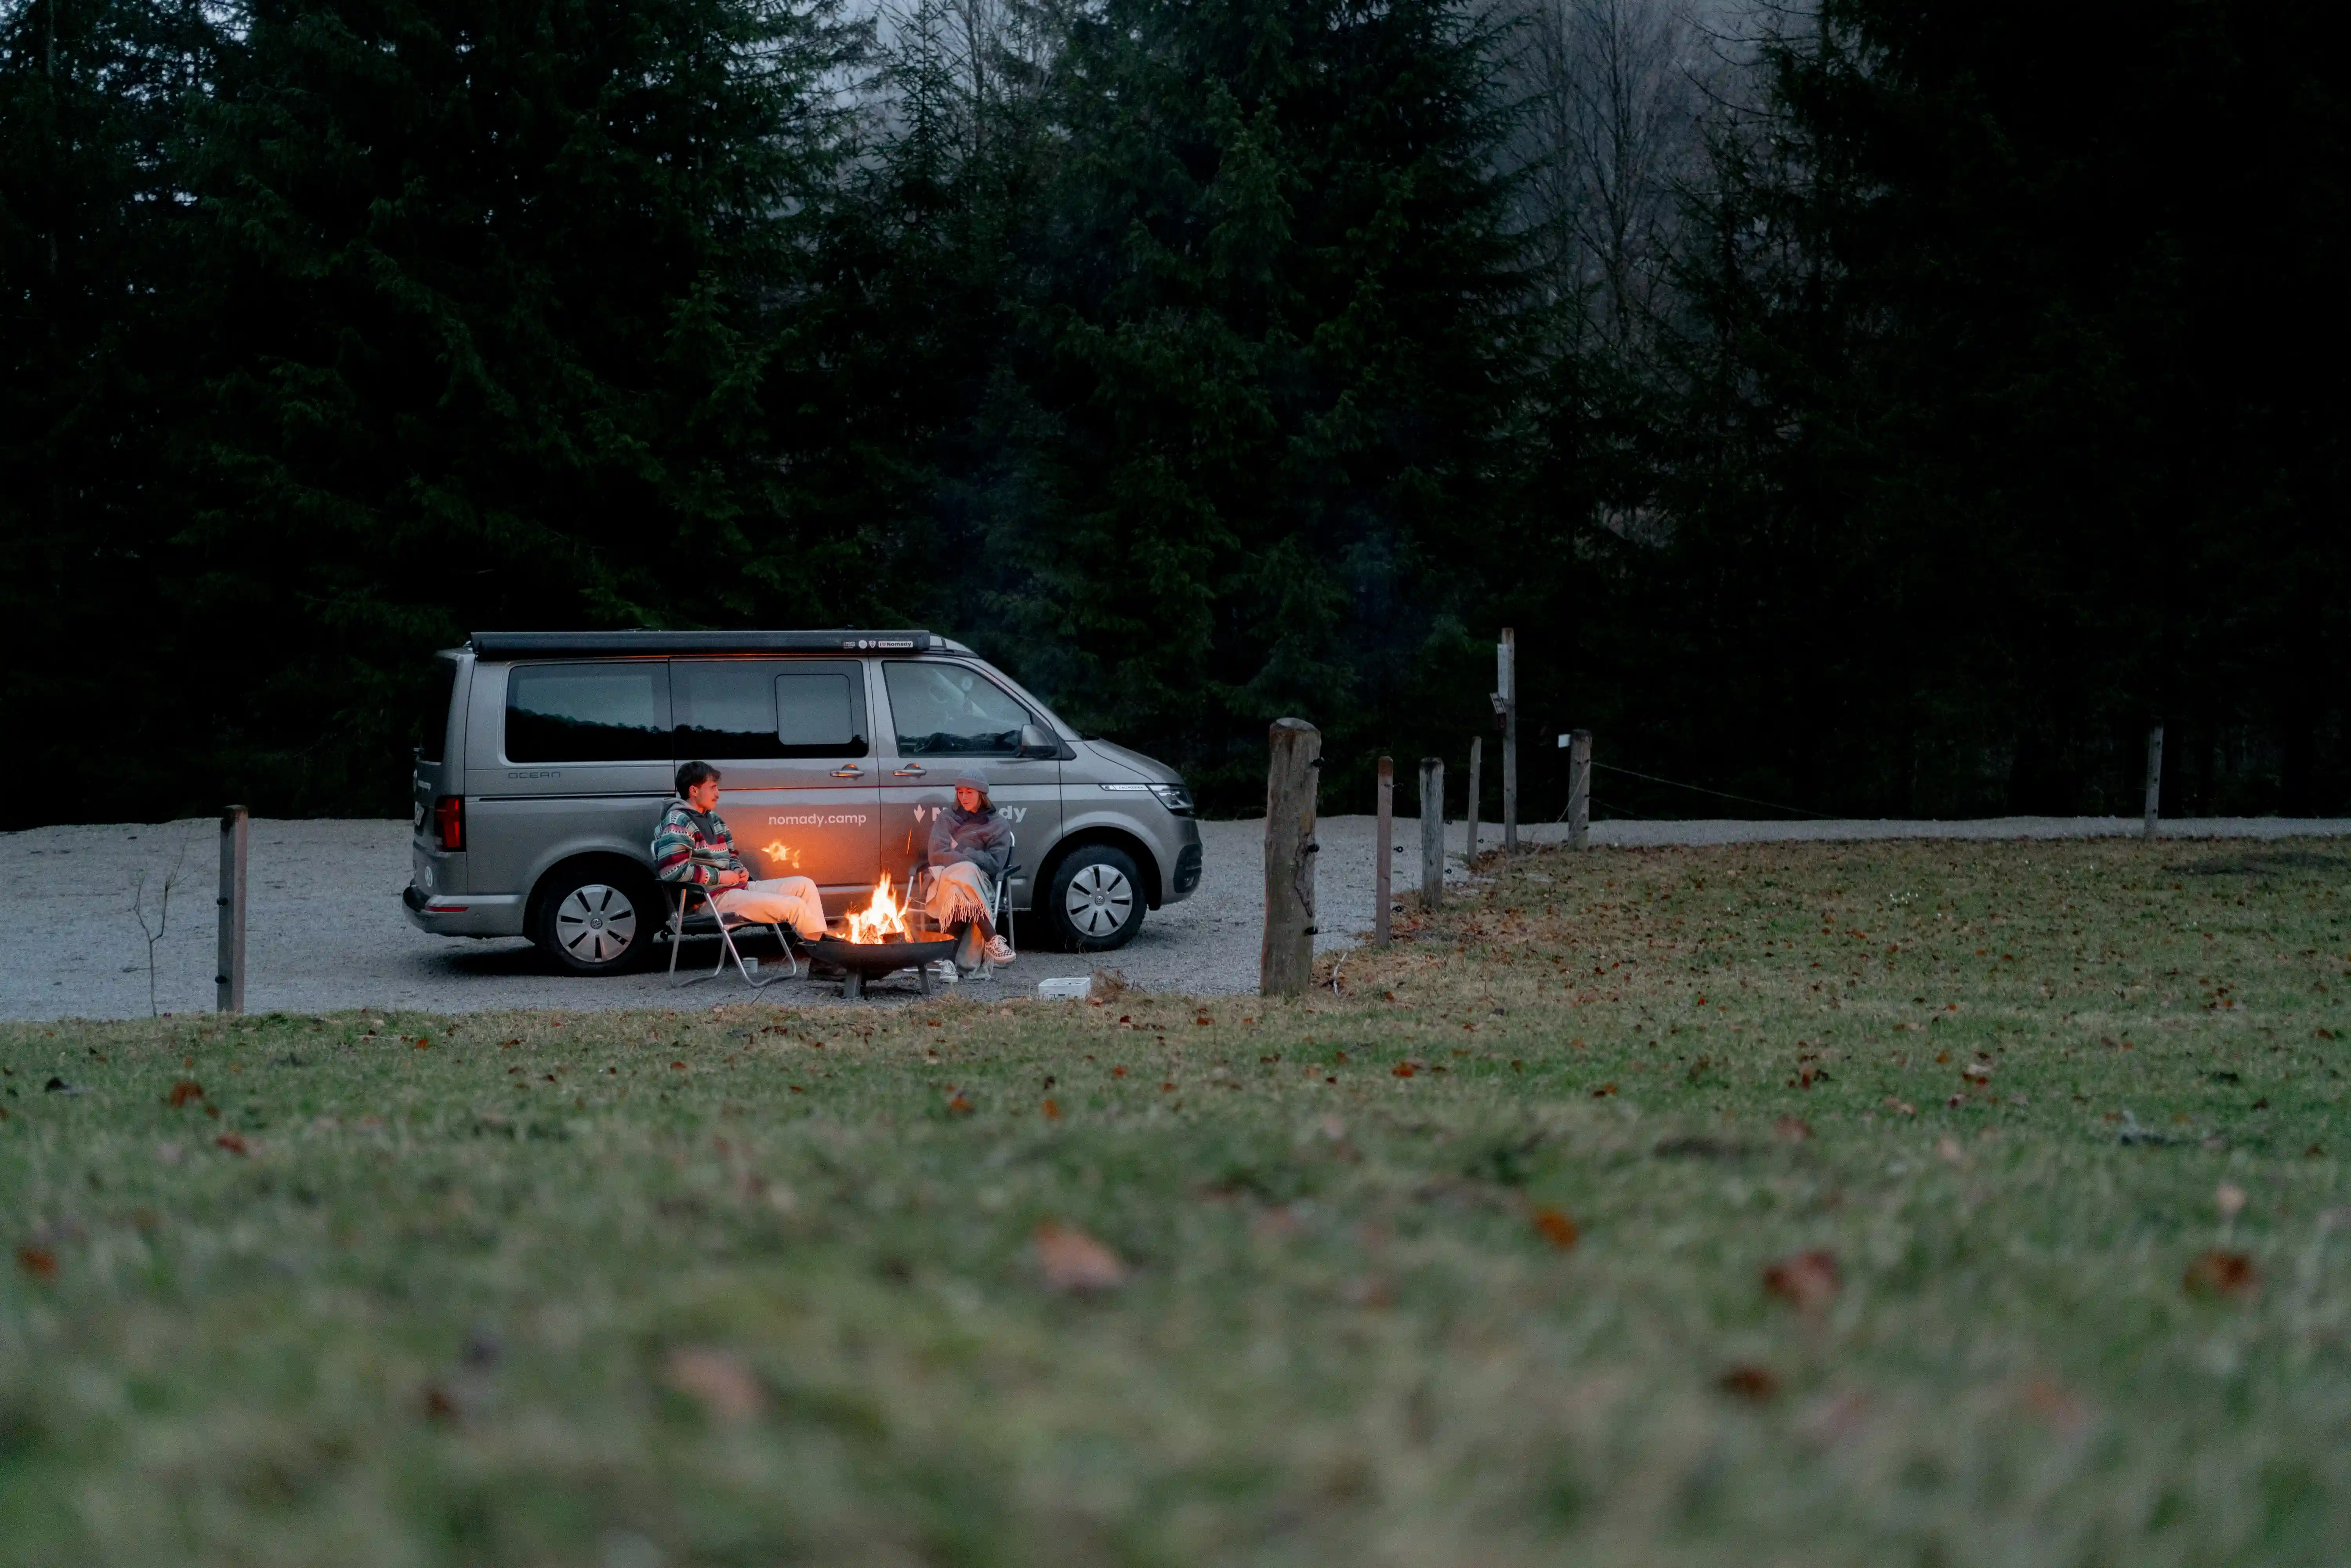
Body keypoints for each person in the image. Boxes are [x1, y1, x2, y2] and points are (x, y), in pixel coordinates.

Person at [653, 761, 828, 943]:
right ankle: (824, 953)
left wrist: (737, 869)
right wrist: (720, 877)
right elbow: (672, 871)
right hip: (707, 900)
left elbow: (731, 856)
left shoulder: (715, 821)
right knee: (794, 905)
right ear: (694, 791)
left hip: (735, 889)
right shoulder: (678, 822)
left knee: (805, 886)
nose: (718, 794)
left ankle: (820, 949)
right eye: (712, 788)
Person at [926, 772, 1016, 970]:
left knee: (958, 890)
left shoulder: (997, 825)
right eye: (960, 792)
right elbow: (937, 856)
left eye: (969, 792)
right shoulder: (947, 818)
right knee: (965, 872)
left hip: (979, 884)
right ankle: (992, 939)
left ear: (981, 794)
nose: (964, 797)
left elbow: (995, 863)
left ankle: (948, 963)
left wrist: (959, 850)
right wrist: (973, 860)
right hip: (944, 880)